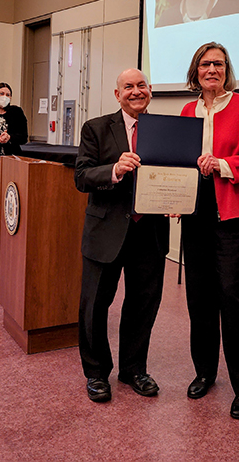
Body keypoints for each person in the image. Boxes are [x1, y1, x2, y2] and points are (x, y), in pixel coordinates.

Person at [180, 42, 239, 419]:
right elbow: (178, 160)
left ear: (226, 69)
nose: (212, 70)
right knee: (199, 297)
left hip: (235, 212)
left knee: (233, 298)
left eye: (218, 64)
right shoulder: (189, 110)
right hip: (196, 211)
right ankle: (204, 373)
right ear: (196, 70)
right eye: (205, 64)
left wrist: (222, 164)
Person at [74, 68, 169, 403]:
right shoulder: (96, 128)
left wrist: (179, 199)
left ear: (150, 91)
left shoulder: (165, 130)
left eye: (141, 85)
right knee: (95, 305)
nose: (135, 91)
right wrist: (113, 170)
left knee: (143, 304)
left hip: (150, 231)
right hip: (106, 231)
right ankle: (97, 373)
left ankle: (133, 369)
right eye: (128, 86)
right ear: (117, 94)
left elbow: (178, 172)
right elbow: (82, 175)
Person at [0, 82, 28, 259]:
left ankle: (13, 243)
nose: (5, 97)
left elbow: (24, 137)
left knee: (13, 203)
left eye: (8, 94)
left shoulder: (16, 112)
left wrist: (10, 138)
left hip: (13, 162)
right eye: (1, 93)